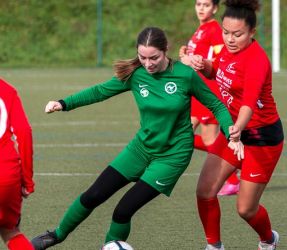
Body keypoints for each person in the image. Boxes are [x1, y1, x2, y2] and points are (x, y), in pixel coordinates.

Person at [31, 26, 243, 250]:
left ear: (165, 51)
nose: (148, 63)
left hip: (172, 157)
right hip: (140, 149)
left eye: (154, 57)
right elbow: (100, 91)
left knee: (123, 210)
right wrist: (63, 104)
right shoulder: (136, 74)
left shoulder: (185, 75)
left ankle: (110, 246)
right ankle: (56, 235)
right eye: (143, 57)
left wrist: (231, 131)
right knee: (93, 195)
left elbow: (216, 104)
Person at [189, 0, 284, 249]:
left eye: (238, 34)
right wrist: (204, 65)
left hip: (261, 138)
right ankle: (214, 246)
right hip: (235, 134)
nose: (230, 39)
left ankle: (269, 239)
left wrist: (236, 129)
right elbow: (217, 71)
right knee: (205, 191)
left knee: (246, 209)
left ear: (252, 32)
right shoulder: (227, 50)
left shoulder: (257, 60)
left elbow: (248, 104)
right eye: (226, 32)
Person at [180, 0, 240, 196]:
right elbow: (196, 56)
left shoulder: (214, 29)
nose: (201, 8)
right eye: (198, 4)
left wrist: (192, 61)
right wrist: (185, 55)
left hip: (208, 91)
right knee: (182, 133)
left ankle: (232, 176)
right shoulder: (201, 30)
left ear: (214, 8)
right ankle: (233, 166)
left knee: (205, 138)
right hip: (196, 92)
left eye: (206, 5)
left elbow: (220, 58)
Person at [0, 79, 35, 250]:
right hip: (6, 174)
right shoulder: (6, 90)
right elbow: (24, 131)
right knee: (10, 232)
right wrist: (27, 180)